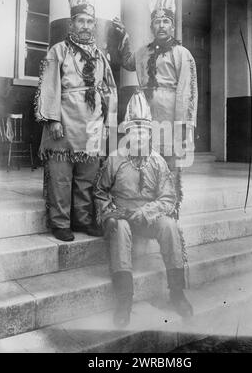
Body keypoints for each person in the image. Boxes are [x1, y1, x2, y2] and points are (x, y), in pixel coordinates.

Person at [93, 91, 193, 328]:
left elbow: (168, 197)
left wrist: (148, 212)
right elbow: (100, 191)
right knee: (119, 227)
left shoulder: (157, 161)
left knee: (169, 226)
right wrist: (111, 212)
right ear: (127, 134)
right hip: (123, 217)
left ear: (149, 134)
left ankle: (177, 293)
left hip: (149, 217)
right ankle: (124, 301)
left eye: (143, 132)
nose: (139, 137)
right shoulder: (115, 160)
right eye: (134, 132)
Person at [35, 0, 117, 242]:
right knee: (61, 177)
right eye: (80, 21)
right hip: (64, 122)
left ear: (94, 26)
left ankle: (82, 219)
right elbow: (49, 86)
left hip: (92, 124)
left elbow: (109, 89)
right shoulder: (57, 51)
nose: (85, 26)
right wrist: (53, 119)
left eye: (89, 22)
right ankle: (60, 222)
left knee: (87, 178)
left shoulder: (100, 55)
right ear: (71, 24)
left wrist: (107, 123)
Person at [113, 0, 198, 190]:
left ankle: (169, 208)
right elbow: (127, 62)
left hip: (169, 115)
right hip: (145, 115)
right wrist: (122, 36)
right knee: (145, 160)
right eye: (157, 22)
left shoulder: (182, 54)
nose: (161, 25)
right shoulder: (143, 52)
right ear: (152, 26)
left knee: (169, 163)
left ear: (172, 26)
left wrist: (183, 126)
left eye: (166, 21)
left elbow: (187, 92)